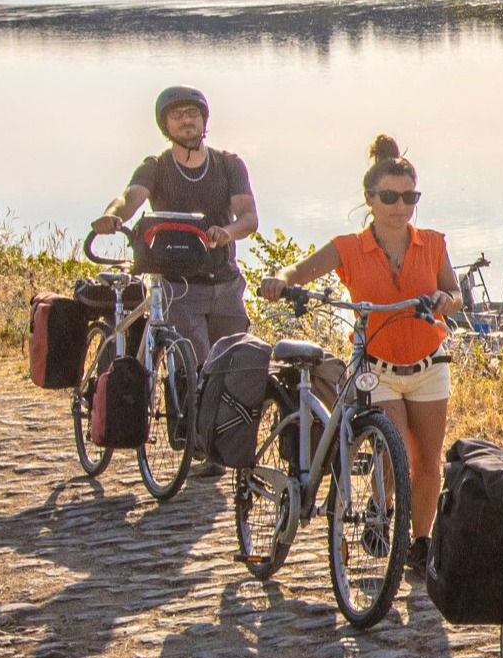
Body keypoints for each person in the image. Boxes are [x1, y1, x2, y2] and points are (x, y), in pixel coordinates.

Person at [259, 136, 461, 573]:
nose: (400, 206)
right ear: (369, 198)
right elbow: (300, 269)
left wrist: (445, 300)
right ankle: (379, 505)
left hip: (429, 364)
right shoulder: (349, 247)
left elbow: (455, 293)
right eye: (389, 197)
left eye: (409, 197)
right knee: (394, 445)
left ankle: (419, 543)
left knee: (428, 460)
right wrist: (281, 280)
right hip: (376, 366)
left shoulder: (432, 243)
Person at [93, 84, 260, 403]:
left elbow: (249, 217)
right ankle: (186, 425)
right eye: (177, 115)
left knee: (236, 371)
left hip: (225, 283)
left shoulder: (229, 165)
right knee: (197, 371)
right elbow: (129, 198)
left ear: (204, 119)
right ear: (165, 125)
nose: (186, 121)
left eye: (193, 113)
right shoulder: (156, 167)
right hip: (178, 288)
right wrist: (112, 216)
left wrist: (228, 232)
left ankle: (219, 431)